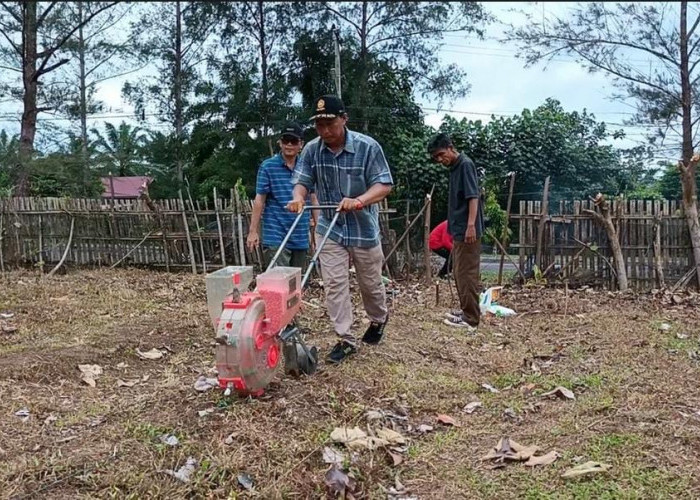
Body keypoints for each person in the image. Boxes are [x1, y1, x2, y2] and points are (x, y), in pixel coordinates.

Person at [287, 94, 394, 363]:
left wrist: (359, 201)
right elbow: (302, 179)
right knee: (334, 283)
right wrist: (298, 198)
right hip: (330, 228)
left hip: (362, 229)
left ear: (344, 119)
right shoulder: (312, 149)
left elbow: (384, 184)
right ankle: (345, 338)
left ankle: (378, 319)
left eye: (330, 124)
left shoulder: (367, 147)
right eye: (319, 125)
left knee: (370, 283)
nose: (324, 131)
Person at [427, 133, 485, 331]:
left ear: (451, 148)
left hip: (468, 230)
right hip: (459, 229)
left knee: (467, 274)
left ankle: (471, 320)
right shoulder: (454, 168)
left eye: (441, 154)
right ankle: (466, 310)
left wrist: (471, 225)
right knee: (459, 273)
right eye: (436, 158)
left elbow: (473, 197)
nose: (440, 160)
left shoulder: (465, 165)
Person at [247, 121, 318, 270]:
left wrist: (317, 231)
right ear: (280, 142)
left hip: (300, 234)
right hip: (276, 233)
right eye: (286, 140)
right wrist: (253, 231)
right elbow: (260, 200)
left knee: (298, 284)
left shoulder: (307, 167)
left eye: (294, 141)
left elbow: (313, 199)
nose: (289, 145)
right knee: (279, 284)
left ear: (301, 144)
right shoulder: (268, 167)